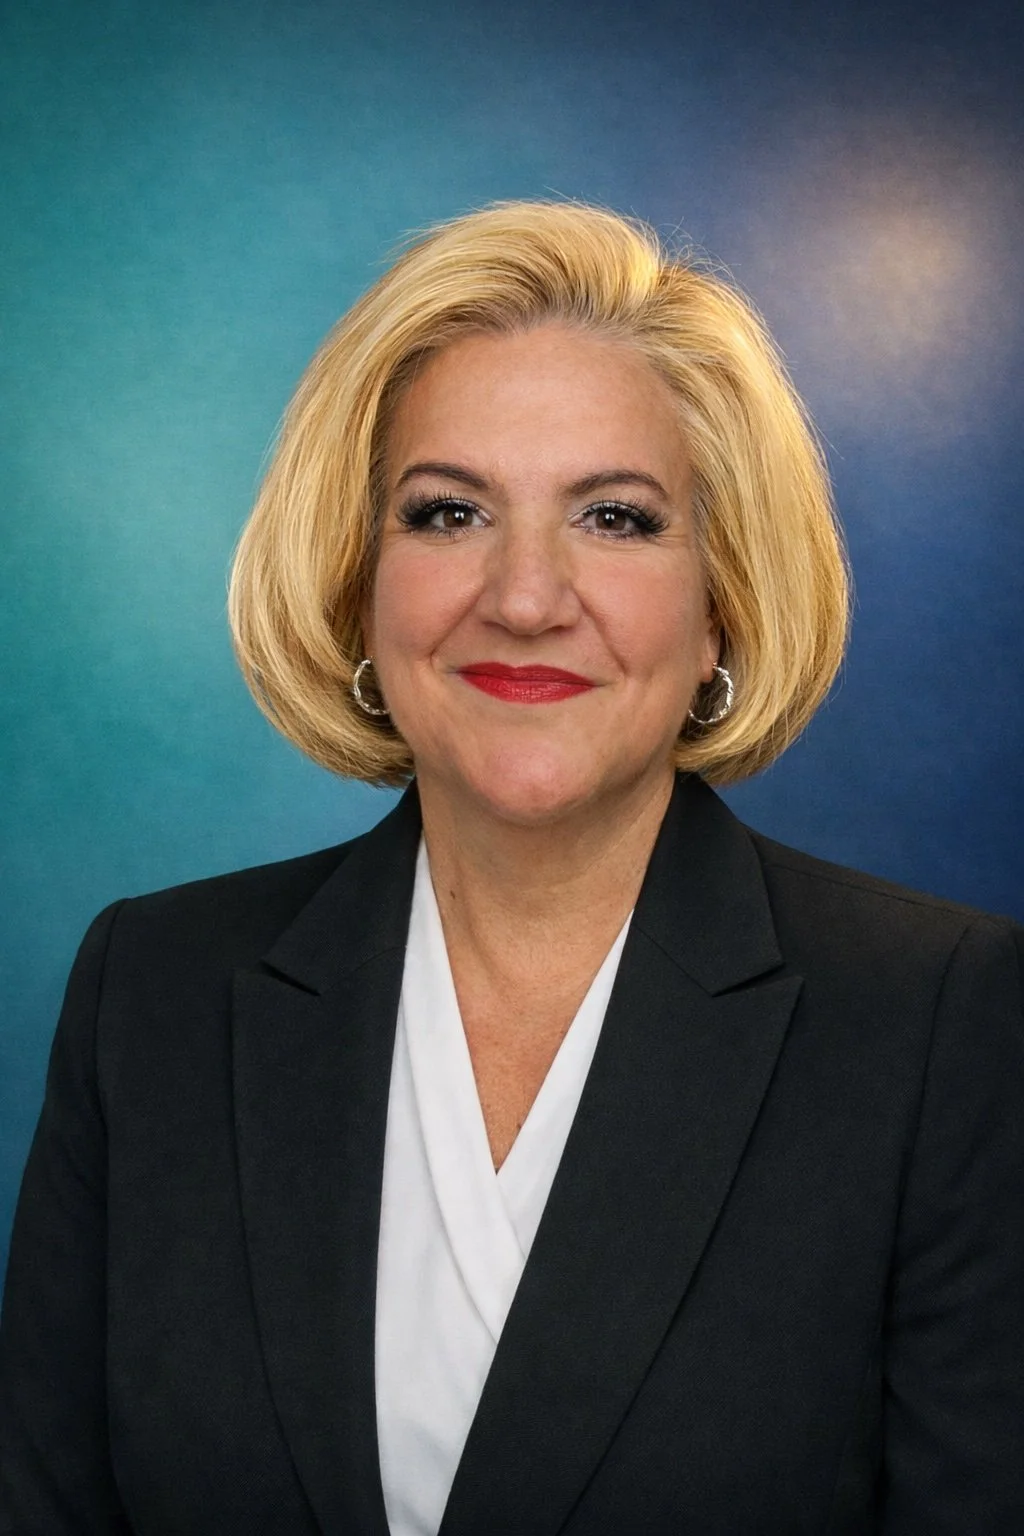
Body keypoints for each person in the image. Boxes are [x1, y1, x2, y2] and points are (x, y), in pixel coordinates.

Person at [1, 200, 1021, 1535]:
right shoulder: (153, 989)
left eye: (615, 517)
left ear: (723, 606)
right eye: (448, 512)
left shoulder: (937, 1017)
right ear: (356, 581)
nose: (526, 597)